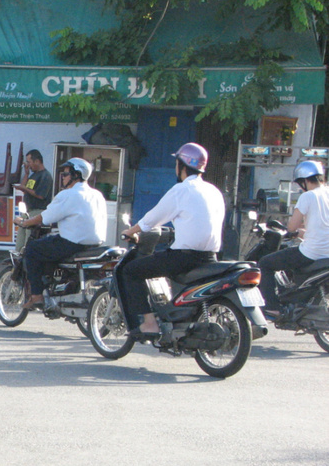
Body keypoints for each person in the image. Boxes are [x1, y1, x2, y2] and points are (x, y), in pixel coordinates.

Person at [121, 142, 224, 337]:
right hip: (211, 257)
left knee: (131, 271)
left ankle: (149, 323)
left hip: (184, 258)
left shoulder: (182, 190)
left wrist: (131, 231)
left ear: (182, 166)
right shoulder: (214, 191)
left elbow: (152, 219)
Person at [15, 157, 106, 310]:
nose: (62, 177)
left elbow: (45, 217)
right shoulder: (97, 194)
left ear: (76, 175)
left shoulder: (68, 195)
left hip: (72, 244)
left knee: (32, 249)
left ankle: (36, 295)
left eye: (65, 174)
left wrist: (24, 223)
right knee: (50, 245)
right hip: (94, 244)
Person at [259, 159, 329, 318]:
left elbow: (291, 227)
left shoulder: (308, 196)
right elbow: (318, 229)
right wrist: (299, 233)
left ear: (304, 181)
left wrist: (291, 230)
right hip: (326, 253)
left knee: (265, 263)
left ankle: (272, 307)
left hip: (312, 253)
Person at [12, 149, 53, 252]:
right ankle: (17, 256)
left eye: (29, 162)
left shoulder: (45, 176)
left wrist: (24, 189)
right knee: (21, 235)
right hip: (28, 211)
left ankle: (26, 257)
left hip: (37, 211)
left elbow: (40, 195)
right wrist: (26, 174)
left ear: (37, 161)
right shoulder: (33, 175)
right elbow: (24, 187)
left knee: (29, 238)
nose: (28, 165)